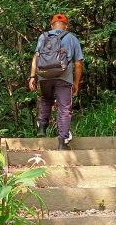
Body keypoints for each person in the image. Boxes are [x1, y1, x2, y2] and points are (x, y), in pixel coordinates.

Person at [29, 14, 83, 150]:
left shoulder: (43, 37)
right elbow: (78, 64)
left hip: (44, 76)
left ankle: (42, 125)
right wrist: (76, 82)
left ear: (52, 25)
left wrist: (32, 77)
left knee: (46, 98)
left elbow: (36, 58)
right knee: (64, 108)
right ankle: (62, 142)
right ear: (66, 25)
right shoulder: (71, 38)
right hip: (64, 77)